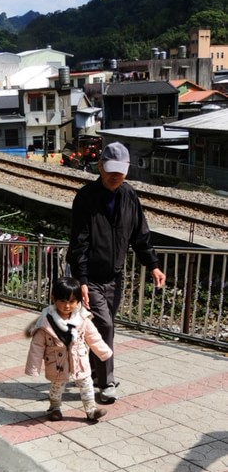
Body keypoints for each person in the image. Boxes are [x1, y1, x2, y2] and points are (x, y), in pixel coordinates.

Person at [66, 141, 166, 403]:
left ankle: (92, 374)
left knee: (100, 329)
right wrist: (82, 280)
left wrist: (153, 264)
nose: (115, 176)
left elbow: (140, 235)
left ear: (127, 170)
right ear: (100, 167)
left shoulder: (129, 196)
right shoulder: (86, 197)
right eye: (110, 170)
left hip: (115, 276)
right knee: (106, 326)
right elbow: (79, 242)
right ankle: (106, 383)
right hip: (91, 278)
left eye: (120, 171)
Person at [25, 276, 112, 422]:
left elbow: (93, 337)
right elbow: (37, 346)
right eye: (63, 301)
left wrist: (104, 352)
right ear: (54, 299)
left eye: (71, 302)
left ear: (78, 301)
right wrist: (34, 367)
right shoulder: (45, 322)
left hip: (79, 359)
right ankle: (55, 408)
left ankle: (91, 410)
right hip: (57, 362)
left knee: (86, 385)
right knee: (57, 386)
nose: (67, 306)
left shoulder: (82, 318)